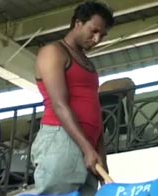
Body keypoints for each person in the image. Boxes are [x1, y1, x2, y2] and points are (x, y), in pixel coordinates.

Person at [32, 2, 114, 195]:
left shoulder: (88, 64)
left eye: (102, 35)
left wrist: (100, 153)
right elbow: (59, 105)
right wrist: (87, 149)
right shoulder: (53, 52)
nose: (96, 39)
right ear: (78, 23)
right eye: (93, 31)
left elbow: (95, 112)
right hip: (61, 139)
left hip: (89, 144)